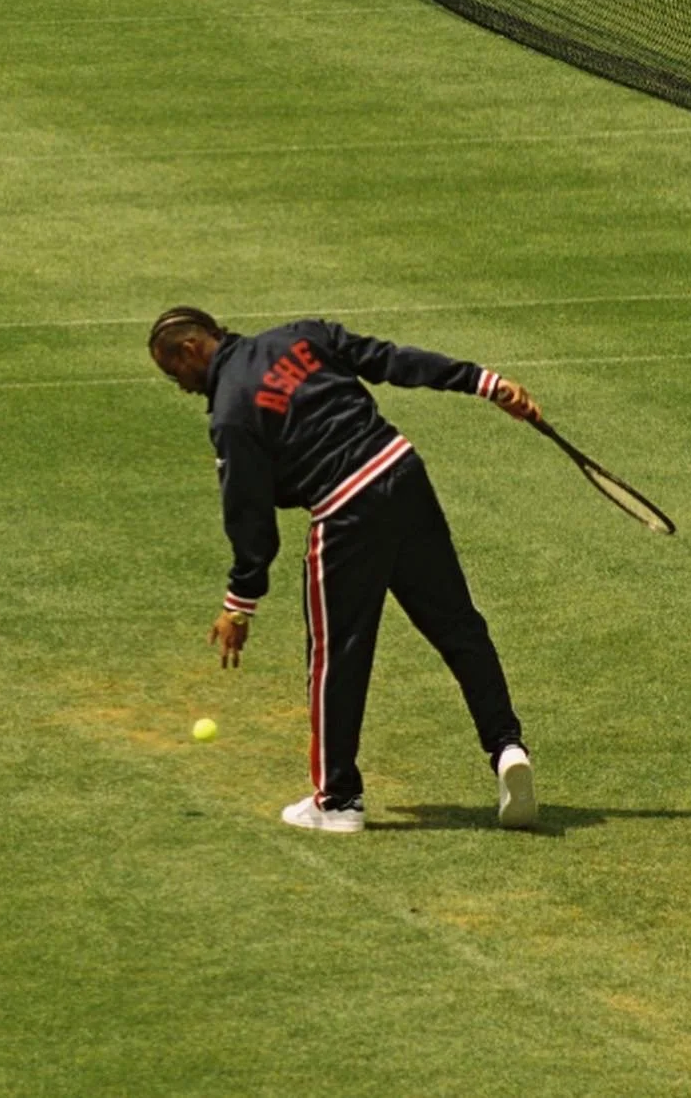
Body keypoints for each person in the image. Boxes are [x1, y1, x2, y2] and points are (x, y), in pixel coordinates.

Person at [148, 306, 542, 834]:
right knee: (458, 627)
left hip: (346, 512)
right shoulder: (301, 336)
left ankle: (337, 800)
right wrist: (482, 382)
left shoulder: (231, 413)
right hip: (402, 473)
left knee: (338, 656)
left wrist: (240, 603)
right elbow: (389, 360)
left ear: (191, 349)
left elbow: (249, 517)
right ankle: (507, 748)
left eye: (173, 372)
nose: (179, 385)